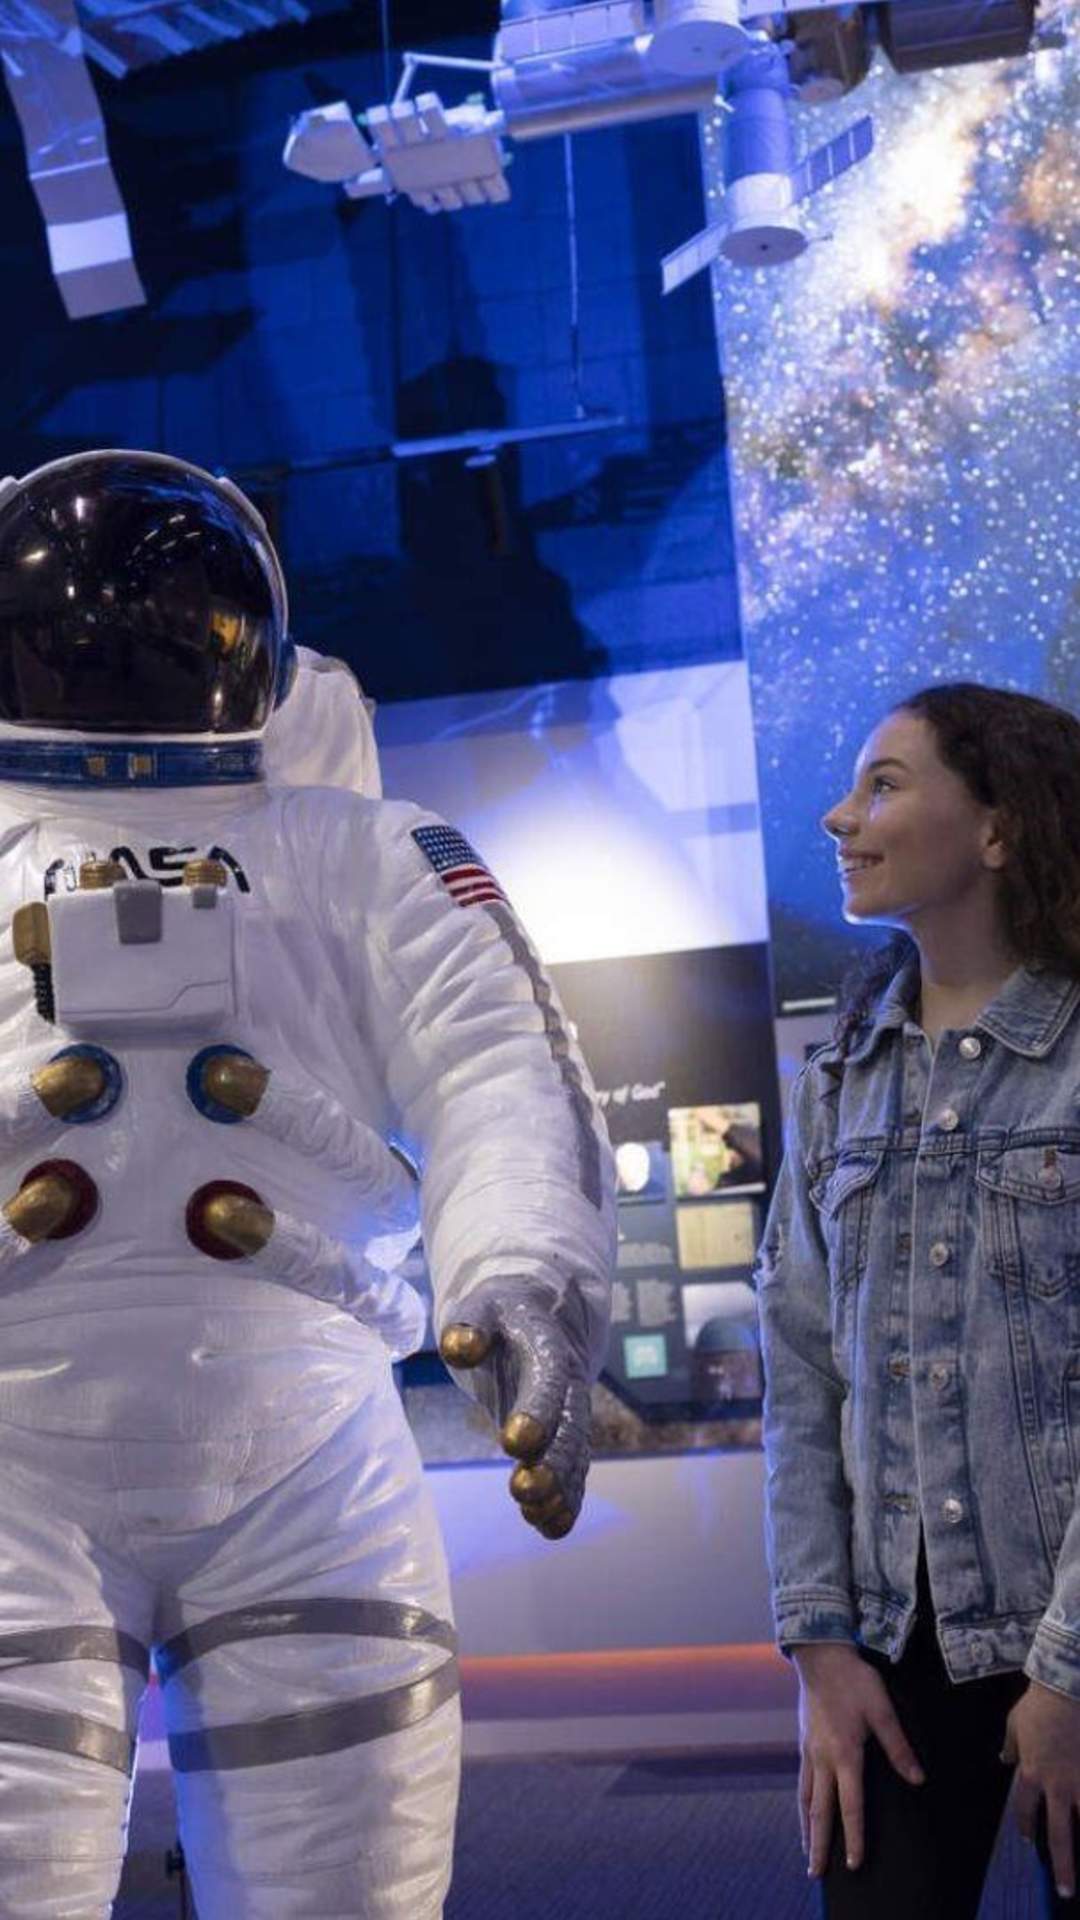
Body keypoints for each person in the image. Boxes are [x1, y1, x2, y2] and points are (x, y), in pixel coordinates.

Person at [0, 447, 615, 1919]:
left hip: (305, 1454)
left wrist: (522, 1274)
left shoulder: (368, 854)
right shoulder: (365, 850)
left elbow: (498, 1072)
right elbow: (499, 1064)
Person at [754, 682, 1080, 1919]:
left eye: (884, 784)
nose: (842, 816)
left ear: (998, 828)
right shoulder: (843, 1072)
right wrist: (820, 1650)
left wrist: (1070, 1676)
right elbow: (800, 1368)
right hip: (889, 1646)